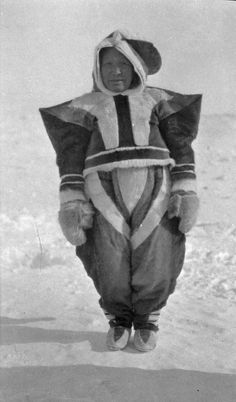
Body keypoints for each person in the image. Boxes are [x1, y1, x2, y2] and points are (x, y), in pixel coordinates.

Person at [40, 30, 202, 352]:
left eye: (122, 64)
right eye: (108, 64)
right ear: (97, 69)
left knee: (156, 250)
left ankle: (147, 318)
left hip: (155, 185)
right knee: (108, 254)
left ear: (136, 68)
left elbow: (181, 146)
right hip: (102, 190)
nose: (115, 71)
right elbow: (70, 156)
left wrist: (185, 191)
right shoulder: (84, 106)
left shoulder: (157, 100)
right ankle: (117, 318)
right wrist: (72, 201)